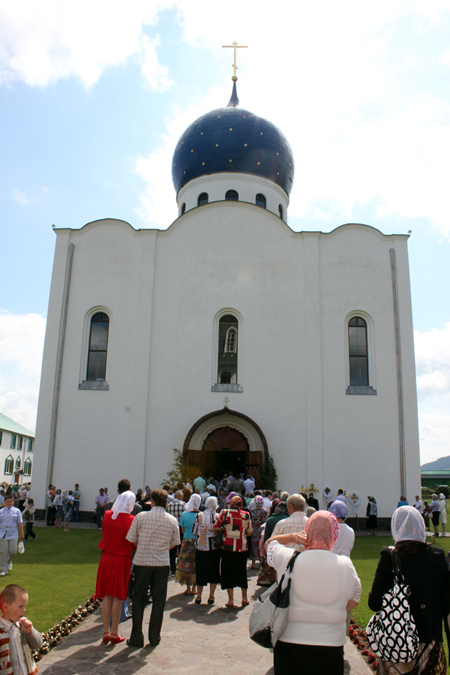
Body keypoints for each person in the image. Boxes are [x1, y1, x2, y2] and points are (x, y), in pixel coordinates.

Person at [265, 510, 361, 674]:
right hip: (330, 645)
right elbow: (352, 602)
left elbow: (269, 545)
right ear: (334, 534)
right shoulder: (345, 564)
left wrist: (292, 537)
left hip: (289, 641)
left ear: (308, 531)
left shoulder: (288, 558)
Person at [368, 505, 450, 674]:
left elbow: (374, 603)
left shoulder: (390, 557)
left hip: (397, 639)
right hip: (430, 638)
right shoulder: (438, 556)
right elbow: (446, 603)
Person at [126, 489, 180, 648]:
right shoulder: (171, 520)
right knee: (158, 600)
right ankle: (154, 636)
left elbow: (132, 539)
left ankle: (137, 636)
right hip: (161, 563)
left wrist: (144, 546)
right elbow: (174, 543)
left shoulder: (141, 517)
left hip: (143, 561)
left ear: (153, 502)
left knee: (138, 599)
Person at [95, 480, 136, 645]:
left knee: (107, 595)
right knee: (118, 596)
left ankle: (105, 631)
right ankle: (115, 632)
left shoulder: (107, 516)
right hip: (121, 559)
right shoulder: (131, 519)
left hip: (106, 557)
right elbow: (133, 543)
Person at [214, 495, 253, 608]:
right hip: (242, 547)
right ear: (241, 505)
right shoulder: (246, 515)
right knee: (242, 572)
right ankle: (244, 598)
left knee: (228, 572)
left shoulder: (224, 512)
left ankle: (230, 600)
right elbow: (250, 532)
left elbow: (216, 527)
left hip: (227, 547)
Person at [0, 584, 43, 674]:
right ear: (5, 607)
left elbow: (38, 644)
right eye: (20, 606)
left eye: (25, 606)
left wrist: (30, 632)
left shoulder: (23, 625)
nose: (24, 610)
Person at [193, 496, 220, 605]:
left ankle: (199, 596)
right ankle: (211, 596)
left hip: (201, 547)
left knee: (200, 571)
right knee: (214, 571)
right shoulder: (218, 517)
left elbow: (194, 531)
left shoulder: (199, 516)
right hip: (214, 548)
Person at [176, 494, 200, 595]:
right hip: (197, 542)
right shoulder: (200, 515)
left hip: (186, 540)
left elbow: (182, 529)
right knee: (195, 564)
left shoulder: (184, 514)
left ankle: (188, 588)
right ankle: (194, 588)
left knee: (186, 564)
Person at [0, 497, 23, 577]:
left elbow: (20, 523)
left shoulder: (17, 511)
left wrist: (21, 534)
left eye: (11, 501)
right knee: (3, 552)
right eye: (8, 501)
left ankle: (8, 561)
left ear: (13, 502)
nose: (9, 503)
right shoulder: (1, 512)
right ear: (5, 502)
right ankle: (3, 569)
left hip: (13, 534)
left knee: (13, 551)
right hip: (3, 534)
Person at [166, 490, 186, 575]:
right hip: (181, 529)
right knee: (181, 548)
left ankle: (173, 567)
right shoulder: (184, 505)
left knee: (172, 549)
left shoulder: (169, 506)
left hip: (171, 529)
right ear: (180, 497)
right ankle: (181, 565)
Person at [249, 495, 267, 568]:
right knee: (261, 546)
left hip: (254, 530)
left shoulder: (252, 511)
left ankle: (253, 562)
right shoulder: (265, 511)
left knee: (254, 546)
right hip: (262, 531)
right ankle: (260, 562)